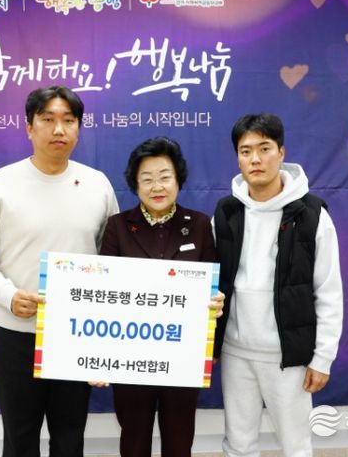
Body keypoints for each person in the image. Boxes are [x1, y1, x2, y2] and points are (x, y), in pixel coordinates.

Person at [0, 85, 119, 457]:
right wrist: (8, 296)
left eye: (68, 120)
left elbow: (111, 259)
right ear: (29, 127)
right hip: (16, 334)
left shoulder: (97, 185)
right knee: (20, 437)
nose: (58, 129)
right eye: (47, 119)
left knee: (70, 436)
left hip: (77, 333)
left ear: (78, 128)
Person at [213, 113, 343, 457]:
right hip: (236, 351)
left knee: (295, 445)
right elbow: (213, 280)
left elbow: (329, 292)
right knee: (238, 443)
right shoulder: (225, 213)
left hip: (288, 355)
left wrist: (322, 358)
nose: (255, 159)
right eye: (245, 151)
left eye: (264, 148)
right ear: (237, 157)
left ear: (281, 152)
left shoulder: (312, 215)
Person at [98, 136, 224, 457]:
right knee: (134, 440)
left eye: (165, 177)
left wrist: (214, 307)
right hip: (131, 354)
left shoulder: (199, 224)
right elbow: (104, 295)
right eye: (147, 179)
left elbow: (212, 286)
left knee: (179, 442)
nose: (157, 186)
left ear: (178, 180)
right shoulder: (117, 227)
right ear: (135, 184)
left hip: (183, 353)